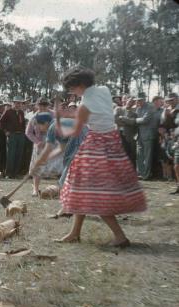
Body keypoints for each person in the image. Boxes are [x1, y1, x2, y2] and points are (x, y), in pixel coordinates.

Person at [56, 66, 146, 247]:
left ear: (80, 85)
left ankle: (120, 236)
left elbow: (75, 131)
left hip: (96, 146)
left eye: (72, 88)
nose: (71, 92)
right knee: (82, 188)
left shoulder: (84, 105)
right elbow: (98, 111)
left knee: (96, 193)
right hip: (112, 143)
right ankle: (75, 232)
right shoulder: (104, 90)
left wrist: (59, 121)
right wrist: (70, 113)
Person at [26, 98, 61, 195]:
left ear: (48, 105)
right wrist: (37, 142)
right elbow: (28, 132)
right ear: (37, 105)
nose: (42, 107)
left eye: (45, 105)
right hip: (40, 144)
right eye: (40, 105)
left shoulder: (54, 115)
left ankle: (58, 189)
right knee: (37, 167)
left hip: (53, 143)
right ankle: (35, 189)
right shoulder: (34, 117)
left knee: (57, 166)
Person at [134, 96, 162, 180]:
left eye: (140, 100)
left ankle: (146, 175)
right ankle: (141, 173)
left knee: (147, 156)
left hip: (148, 135)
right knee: (139, 156)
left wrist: (134, 120)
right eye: (137, 100)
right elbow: (139, 119)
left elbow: (145, 120)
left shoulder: (150, 107)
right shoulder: (138, 109)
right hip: (139, 135)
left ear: (144, 100)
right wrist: (135, 119)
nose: (138, 102)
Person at [0, 96, 27, 179]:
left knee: (19, 154)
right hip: (12, 135)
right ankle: (9, 173)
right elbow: (1, 122)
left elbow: (23, 124)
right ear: (13, 103)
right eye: (16, 103)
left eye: (19, 103)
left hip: (21, 135)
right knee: (11, 155)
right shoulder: (8, 111)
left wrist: (23, 132)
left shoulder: (21, 112)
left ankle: (16, 173)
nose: (18, 104)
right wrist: (5, 131)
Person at [115, 97, 138, 167]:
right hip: (119, 134)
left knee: (130, 152)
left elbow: (132, 122)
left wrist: (122, 118)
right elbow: (115, 119)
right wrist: (126, 122)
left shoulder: (134, 113)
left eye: (132, 102)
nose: (130, 103)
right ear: (126, 100)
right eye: (129, 101)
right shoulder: (118, 109)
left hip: (129, 135)